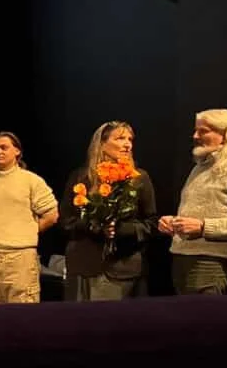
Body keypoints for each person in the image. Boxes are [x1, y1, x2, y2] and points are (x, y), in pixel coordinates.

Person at [160, 109, 227, 294]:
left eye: (203, 131)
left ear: (226, 135)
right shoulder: (200, 168)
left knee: (204, 313)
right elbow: (198, 214)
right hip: (182, 258)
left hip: (213, 263)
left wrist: (204, 227)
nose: (195, 136)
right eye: (196, 130)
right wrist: (173, 223)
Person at [59, 122, 158, 301]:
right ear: (102, 144)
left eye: (130, 139)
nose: (127, 144)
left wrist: (121, 229)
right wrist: (94, 226)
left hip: (121, 267)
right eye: (120, 138)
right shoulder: (81, 177)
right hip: (83, 265)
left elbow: (151, 224)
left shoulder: (139, 178)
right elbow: (66, 221)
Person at [0, 131, 58, 304]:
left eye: (4, 148)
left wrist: (27, 231)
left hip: (20, 257)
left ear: (17, 151)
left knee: (22, 311)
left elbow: (51, 215)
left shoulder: (32, 181)